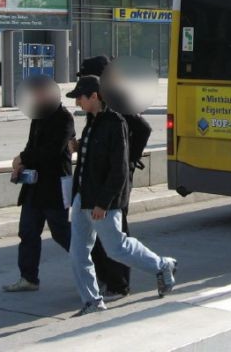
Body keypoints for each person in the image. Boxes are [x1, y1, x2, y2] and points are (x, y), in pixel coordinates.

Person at [66, 75, 176, 316]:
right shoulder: (92, 122)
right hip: (82, 197)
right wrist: (79, 146)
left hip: (101, 202)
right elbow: (93, 156)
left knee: (117, 248)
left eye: (80, 98)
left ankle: (162, 265)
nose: (78, 104)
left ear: (94, 96)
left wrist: (103, 203)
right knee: (78, 252)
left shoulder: (116, 123)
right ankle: (92, 301)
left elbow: (120, 169)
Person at [76, 55, 152, 300]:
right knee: (95, 231)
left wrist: (128, 159)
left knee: (116, 231)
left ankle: (119, 283)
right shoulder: (100, 100)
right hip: (98, 175)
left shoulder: (117, 97)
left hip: (116, 177)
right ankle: (105, 278)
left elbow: (143, 129)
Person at [3, 75, 75, 293]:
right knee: (27, 231)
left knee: (61, 232)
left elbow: (51, 152)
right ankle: (28, 277)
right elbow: (32, 145)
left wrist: (24, 158)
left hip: (54, 185)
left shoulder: (64, 118)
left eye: (39, 92)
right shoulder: (38, 116)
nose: (36, 96)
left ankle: (95, 263)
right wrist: (21, 163)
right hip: (34, 186)